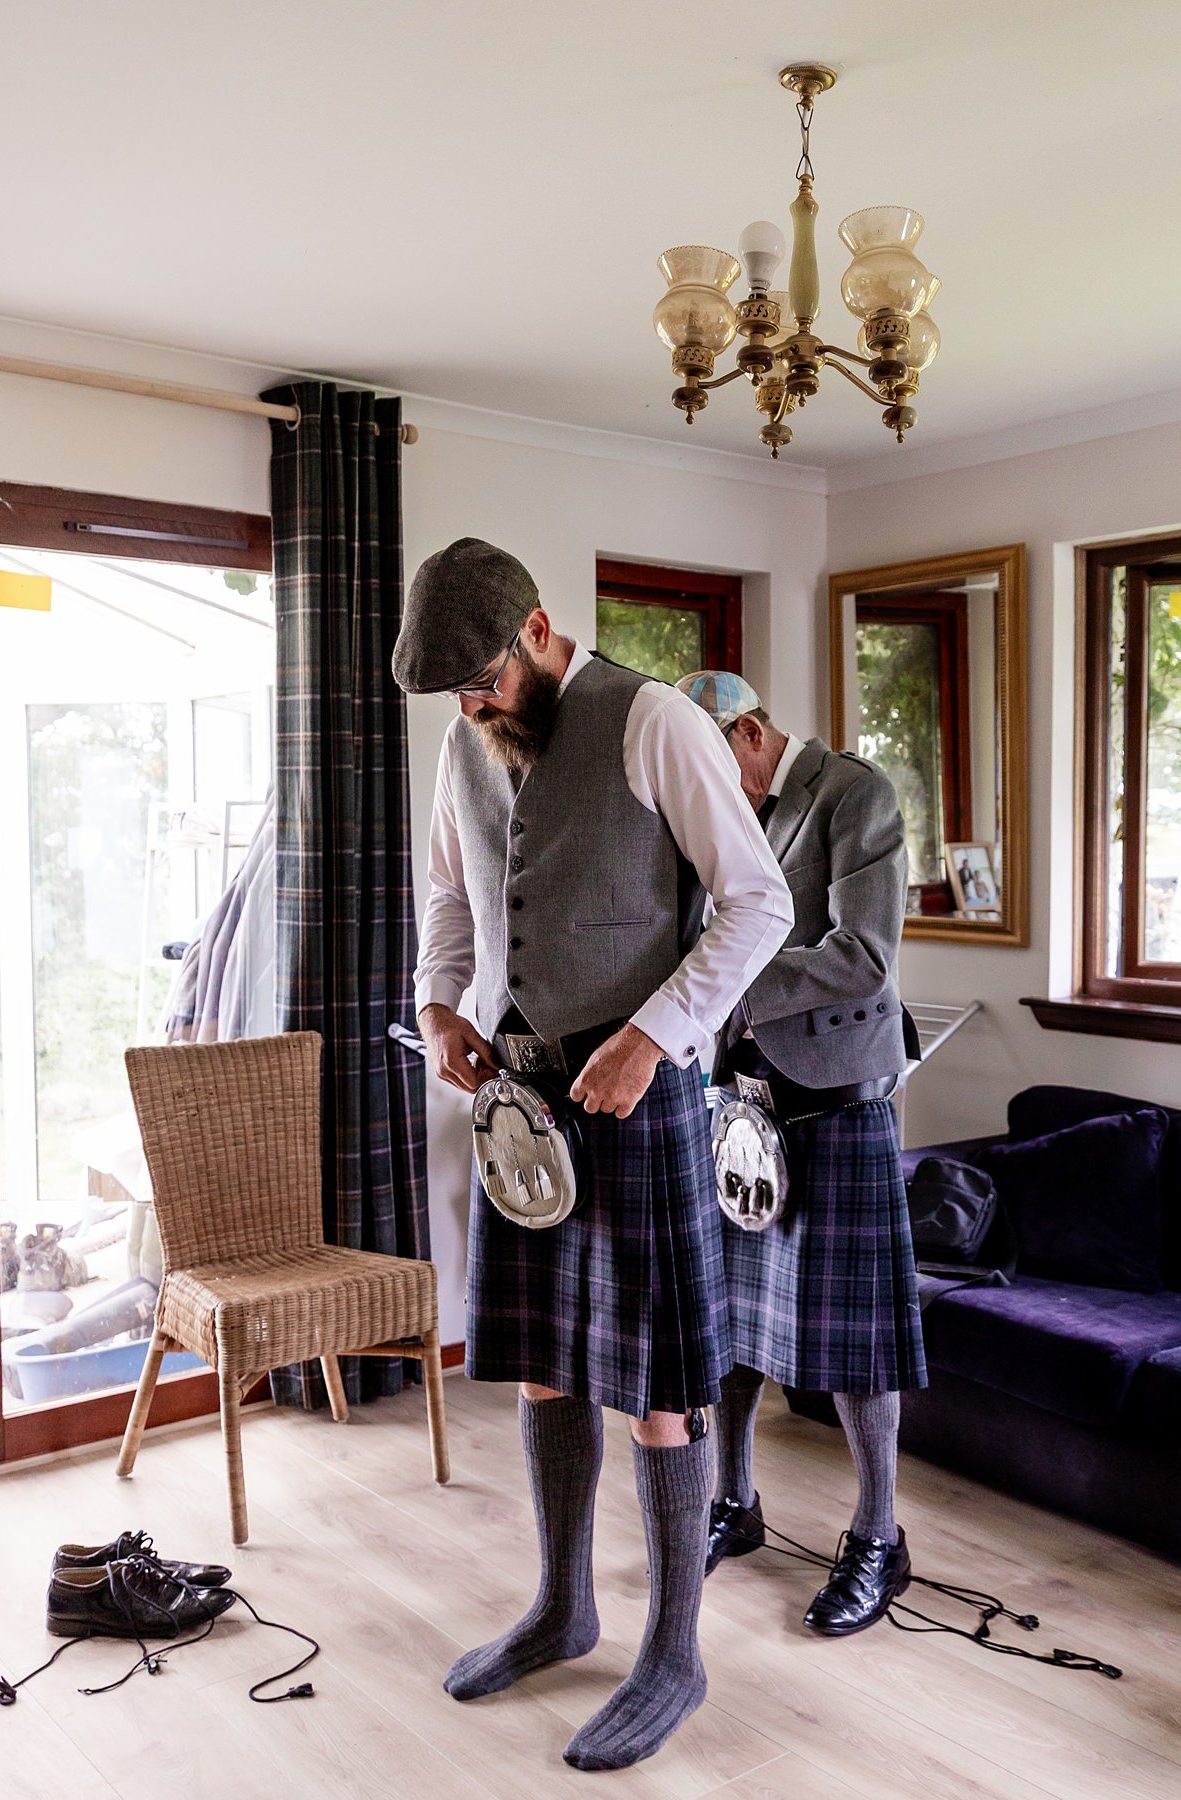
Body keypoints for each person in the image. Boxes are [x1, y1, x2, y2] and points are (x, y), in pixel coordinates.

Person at [392, 541, 793, 1770]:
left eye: (485, 680)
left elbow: (759, 902)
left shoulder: (654, 720)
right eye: (455, 691)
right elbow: (453, 904)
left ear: (539, 630)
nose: (473, 705)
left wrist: (652, 1037)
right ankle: (565, 1604)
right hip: (521, 1094)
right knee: (543, 1370)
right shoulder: (464, 744)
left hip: (644, 1099)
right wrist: (442, 1005)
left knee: (666, 1395)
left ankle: (674, 1652)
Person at [677, 670, 926, 1638]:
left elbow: (864, 954)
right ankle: (735, 1506)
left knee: (857, 1346)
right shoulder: (720, 811)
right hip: (739, 1103)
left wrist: (720, 979)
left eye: (705, 765)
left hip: (839, 1107)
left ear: (747, 732)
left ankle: (878, 1537)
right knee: (730, 1329)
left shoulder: (851, 794)